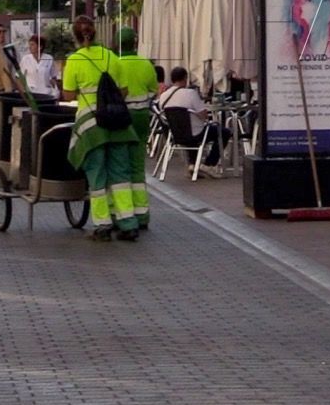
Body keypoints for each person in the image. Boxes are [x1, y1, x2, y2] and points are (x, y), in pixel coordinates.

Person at [64, 15, 141, 241]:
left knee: (96, 176)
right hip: (118, 123)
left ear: (75, 36)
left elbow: (67, 95)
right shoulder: (111, 56)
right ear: (95, 32)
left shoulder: (74, 60)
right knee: (121, 175)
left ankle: (103, 225)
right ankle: (128, 223)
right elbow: (124, 90)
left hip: (91, 126)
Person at [115, 29, 159, 229]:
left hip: (122, 117)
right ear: (134, 43)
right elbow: (153, 90)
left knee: (120, 164)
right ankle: (142, 214)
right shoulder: (146, 64)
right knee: (138, 164)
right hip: (142, 116)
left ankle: (124, 213)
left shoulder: (115, 63)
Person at [157, 66, 232, 170]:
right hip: (194, 133)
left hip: (175, 134)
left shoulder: (163, 96)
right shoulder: (190, 94)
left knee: (190, 129)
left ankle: (193, 164)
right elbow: (204, 115)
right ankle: (209, 164)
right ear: (185, 78)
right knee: (224, 132)